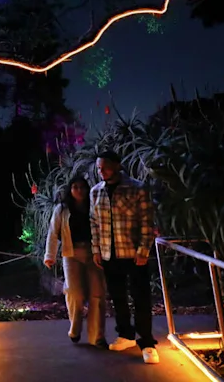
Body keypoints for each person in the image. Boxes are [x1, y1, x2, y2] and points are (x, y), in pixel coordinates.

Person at [90, 150, 159, 364]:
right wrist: (96, 249)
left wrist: (143, 251)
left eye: (105, 167)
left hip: (133, 252)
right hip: (109, 253)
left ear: (117, 165)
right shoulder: (96, 191)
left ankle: (146, 342)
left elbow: (147, 222)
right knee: (118, 296)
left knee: (141, 297)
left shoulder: (137, 188)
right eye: (99, 167)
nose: (101, 171)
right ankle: (125, 334)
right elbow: (94, 222)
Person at [44, 174, 106, 347]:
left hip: (94, 253)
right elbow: (53, 232)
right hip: (71, 254)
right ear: (70, 190)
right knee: (74, 293)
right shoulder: (62, 209)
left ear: (87, 189)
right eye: (75, 187)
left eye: (82, 187)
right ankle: (75, 328)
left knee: (97, 294)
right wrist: (50, 255)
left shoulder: (94, 207)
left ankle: (97, 336)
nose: (79, 190)